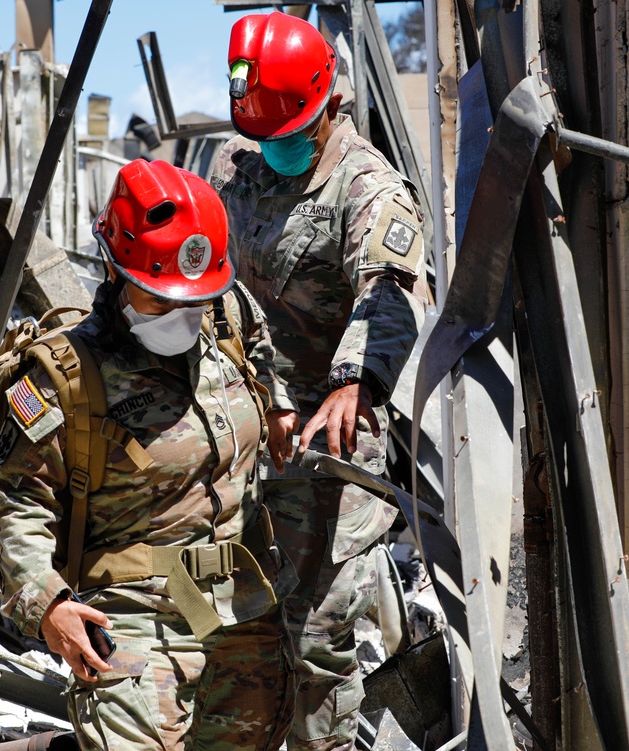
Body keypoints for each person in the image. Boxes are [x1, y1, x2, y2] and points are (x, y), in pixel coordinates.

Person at [0, 158, 299, 750]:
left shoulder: (226, 316)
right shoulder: (62, 378)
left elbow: (263, 355)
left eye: (197, 298)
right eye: (161, 300)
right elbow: (19, 506)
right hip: (134, 612)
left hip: (242, 606)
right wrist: (48, 604)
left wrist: (277, 407)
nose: (184, 316)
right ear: (114, 269)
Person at [210, 12, 428, 751]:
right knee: (232, 638)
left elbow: (390, 292)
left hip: (326, 460)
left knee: (316, 649)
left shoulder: (367, 186)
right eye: (260, 134)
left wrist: (353, 379)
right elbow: (214, 286)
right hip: (242, 445)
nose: (272, 149)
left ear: (328, 102)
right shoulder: (237, 165)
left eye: (286, 133)